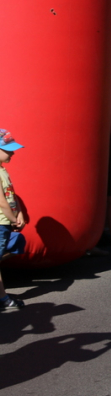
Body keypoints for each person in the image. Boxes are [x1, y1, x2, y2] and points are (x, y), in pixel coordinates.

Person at [0, 130, 27, 310]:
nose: (12, 153)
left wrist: (20, 214)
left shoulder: (3, 170)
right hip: (1, 223)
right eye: (8, 150)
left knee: (18, 243)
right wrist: (12, 218)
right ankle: (3, 299)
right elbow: (1, 202)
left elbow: (11, 195)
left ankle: (3, 298)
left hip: (5, 223)